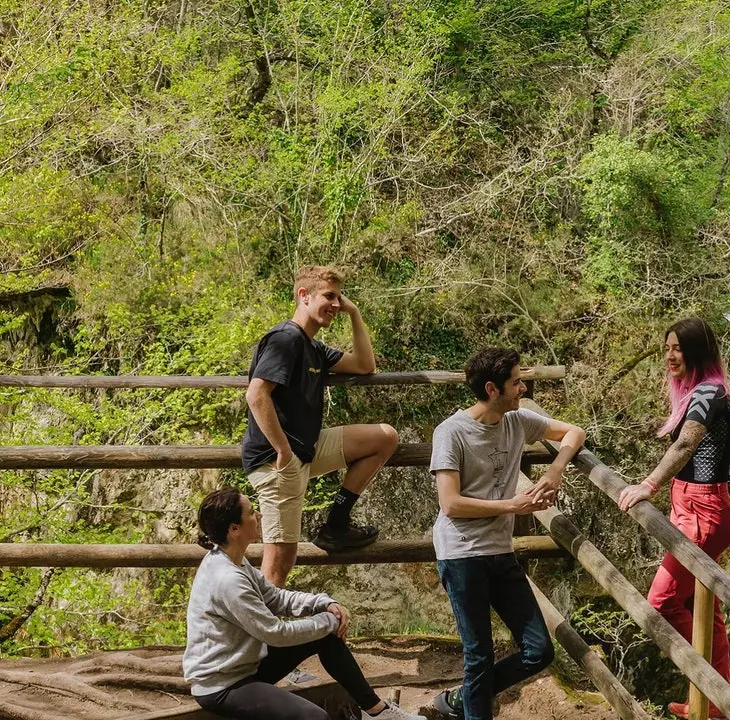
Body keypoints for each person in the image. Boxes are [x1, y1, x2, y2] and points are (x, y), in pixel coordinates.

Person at [427, 348, 586, 720]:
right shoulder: (451, 432)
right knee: (478, 654)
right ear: (492, 388)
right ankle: (470, 705)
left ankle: (460, 700)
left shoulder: (518, 420)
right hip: (461, 553)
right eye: (516, 381)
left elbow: (574, 432)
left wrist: (555, 470)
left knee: (539, 650)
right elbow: (450, 504)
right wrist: (512, 506)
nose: (523, 387)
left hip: (500, 551)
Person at [182, 488, 423, 720]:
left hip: (246, 665)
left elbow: (275, 598)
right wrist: (327, 621)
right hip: (224, 685)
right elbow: (275, 633)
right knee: (315, 717)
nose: (259, 515)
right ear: (234, 528)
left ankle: (377, 712)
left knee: (325, 636)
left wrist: (323, 603)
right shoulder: (227, 580)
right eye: (251, 512)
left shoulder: (234, 560)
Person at [242, 265, 400, 589]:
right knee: (278, 565)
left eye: (339, 298)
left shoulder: (313, 347)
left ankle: (336, 524)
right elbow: (256, 395)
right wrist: (283, 451)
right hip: (278, 463)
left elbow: (365, 365)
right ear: (304, 296)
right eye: (329, 296)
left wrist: (354, 313)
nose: (336, 304)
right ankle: (260, 638)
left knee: (384, 438)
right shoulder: (285, 339)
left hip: (305, 450)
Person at [617, 318, 730, 720]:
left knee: (663, 603)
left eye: (678, 349)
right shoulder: (701, 390)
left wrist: (647, 485)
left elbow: (688, 443)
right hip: (694, 506)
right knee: (705, 606)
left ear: (698, 351)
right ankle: (715, 704)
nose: (670, 356)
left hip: (704, 510)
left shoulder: (708, 392)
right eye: (666, 348)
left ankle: (714, 691)